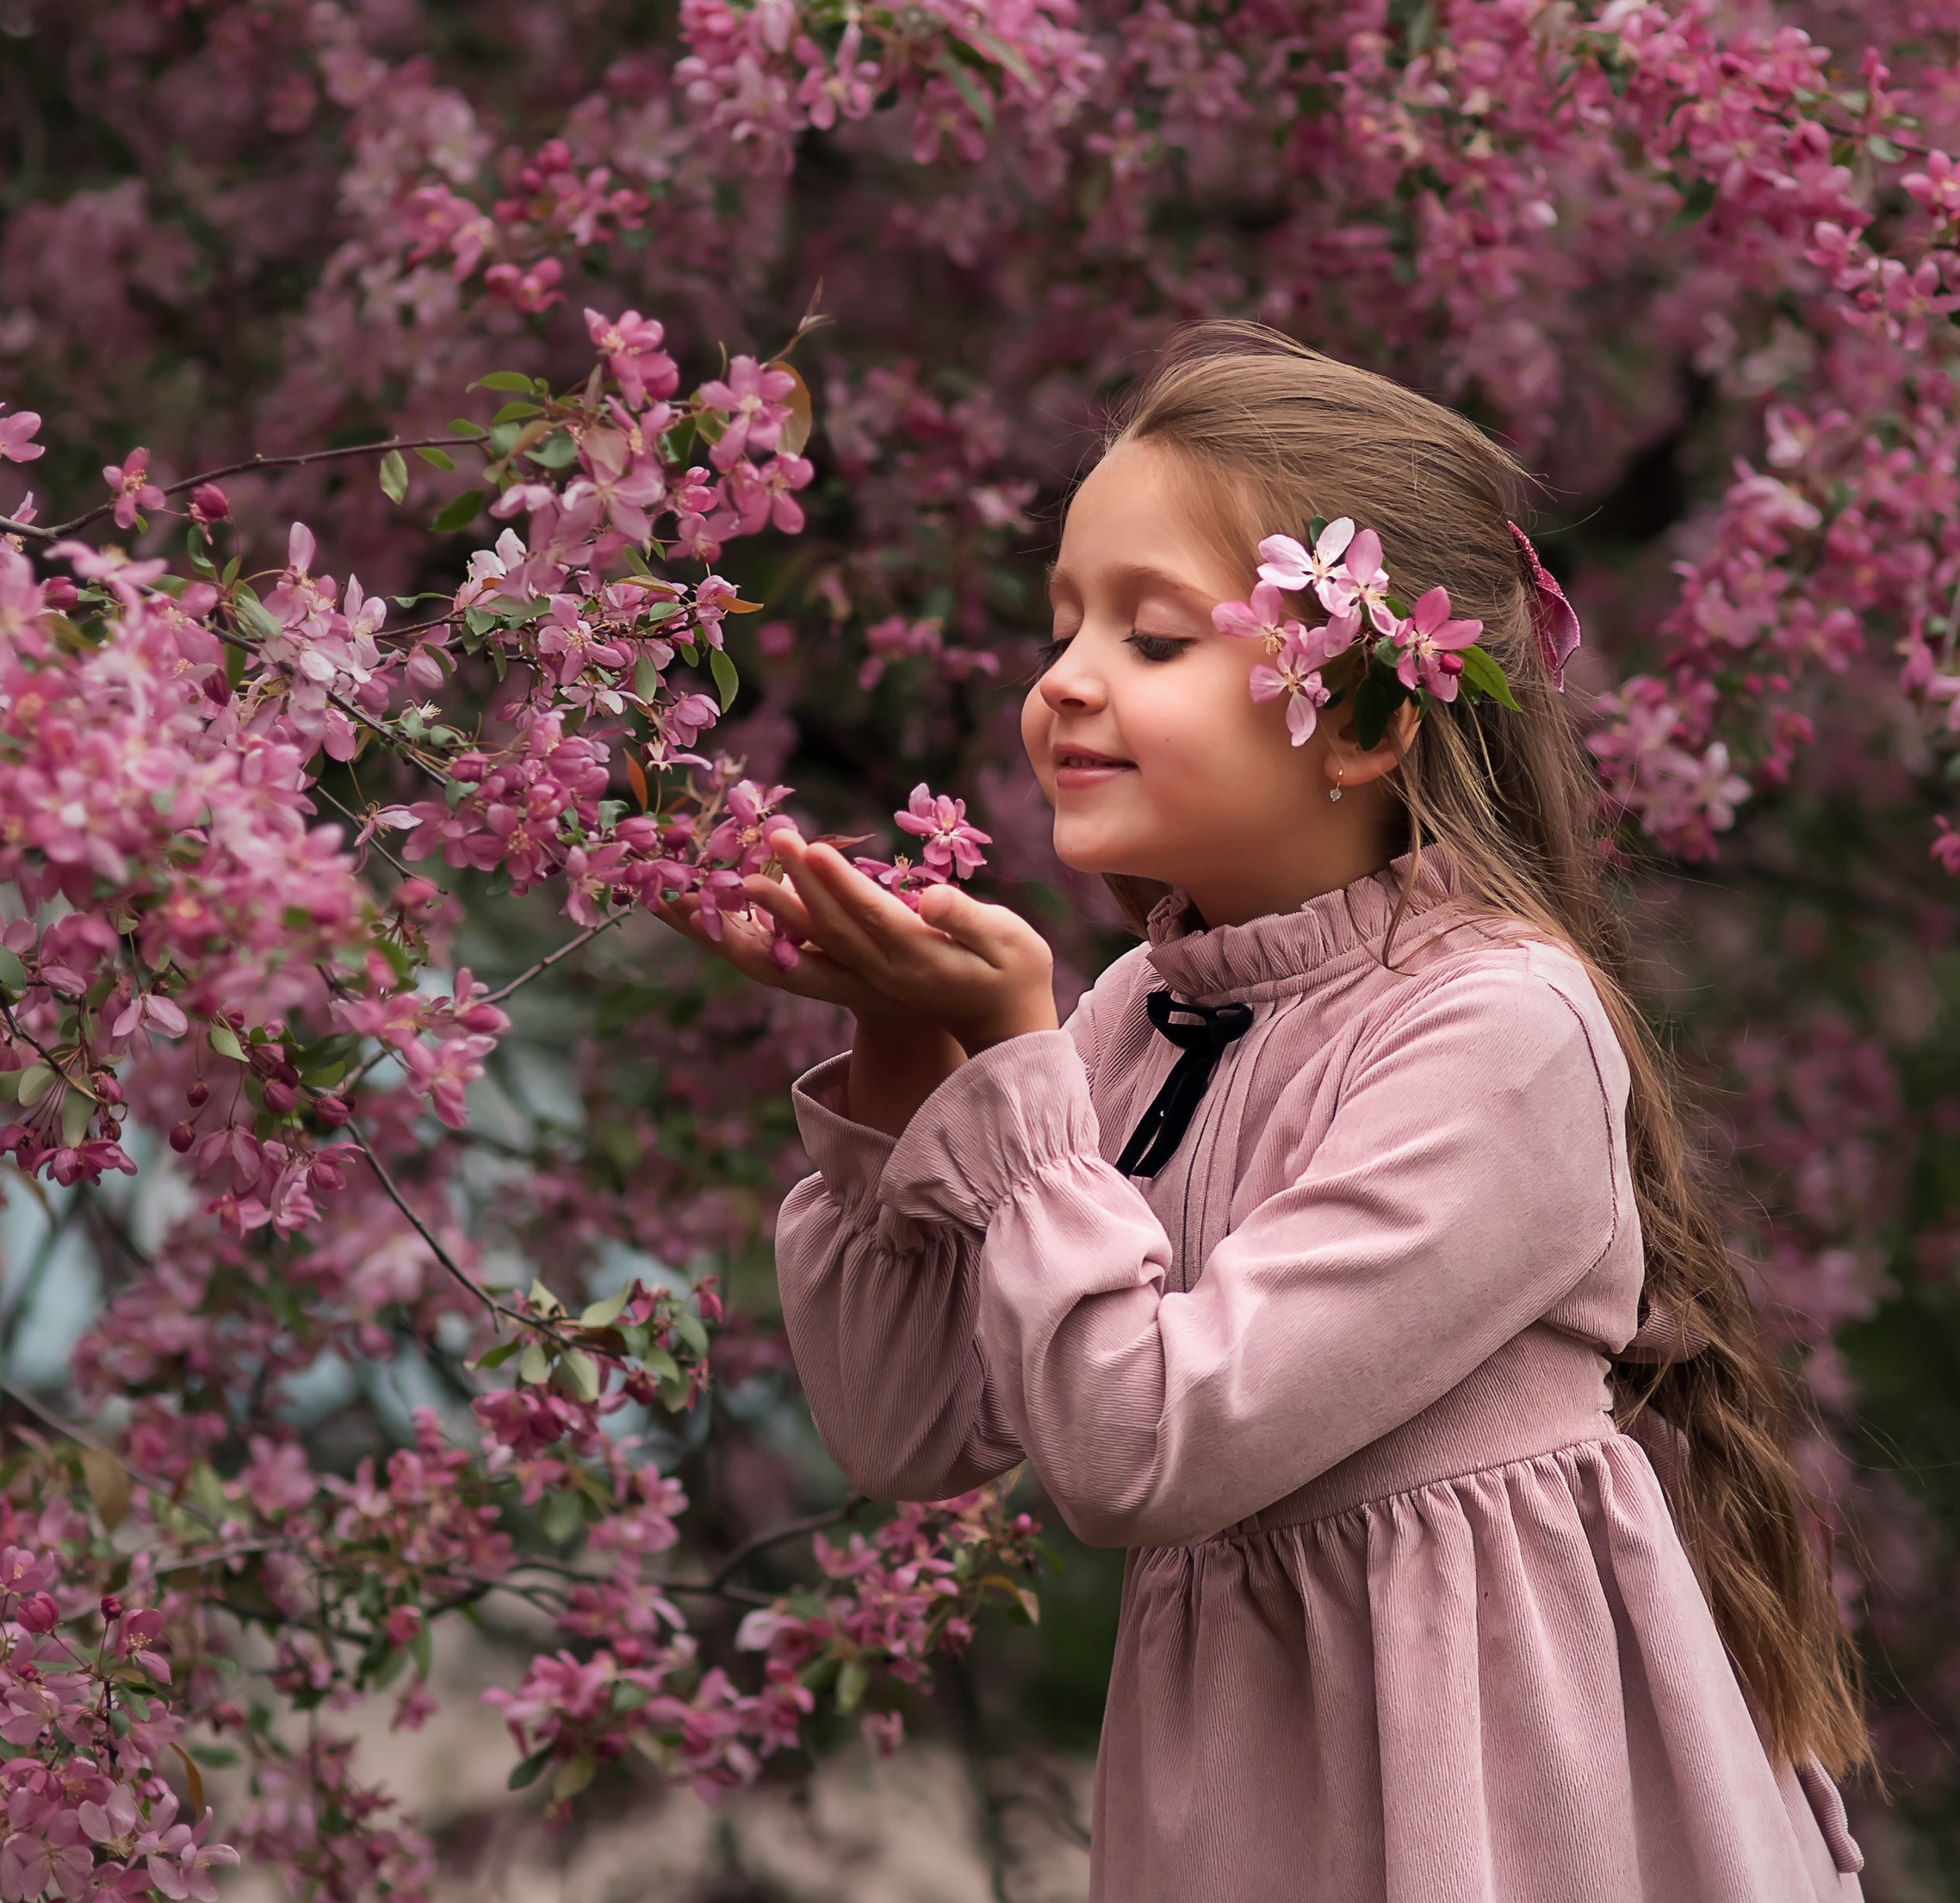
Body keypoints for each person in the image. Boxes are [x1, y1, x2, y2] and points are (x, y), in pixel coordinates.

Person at [664, 322, 1870, 1903]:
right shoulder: (1133, 1018)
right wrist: (904, 1040)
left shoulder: (1500, 1027)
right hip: (1240, 1800)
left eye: (1153, 639)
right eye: (1063, 625)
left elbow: (1140, 1449)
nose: (1064, 681)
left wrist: (1010, 1062)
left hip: (1494, 1807)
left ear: (1363, 719)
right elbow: (907, 1430)